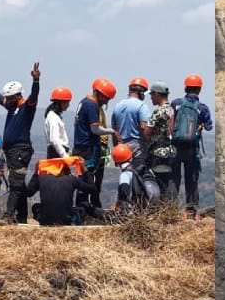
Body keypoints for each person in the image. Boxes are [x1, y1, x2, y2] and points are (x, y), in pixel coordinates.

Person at [0, 63, 41, 224]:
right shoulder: (11, 107)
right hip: (11, 151)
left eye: (10, 97)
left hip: (20, 150)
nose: (6, 100)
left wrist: (36, 80)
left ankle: (8, 216)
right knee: (19, 185)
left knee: (16, 183)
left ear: (18, 96)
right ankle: (22, 217)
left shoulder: (27, 108)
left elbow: (34, 96)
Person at [73, 78, 120, 211]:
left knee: (83, 178)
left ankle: (84, 208)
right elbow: (95, 129)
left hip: (80, 146)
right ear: (99, 94)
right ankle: (86, 208)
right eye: (106, 99)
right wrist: (112, 132)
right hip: (88, 148)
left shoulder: (83, 102)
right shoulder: (92, 105)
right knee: (89, 178)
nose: (106, 102)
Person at [171, 74, 213, 217]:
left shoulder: (176, 103)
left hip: (175, 147)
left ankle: (170, 210)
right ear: (199, 90)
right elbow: (209, 127)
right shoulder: (203, 108)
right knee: (192, 180)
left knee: (174, 180)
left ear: (185, 88)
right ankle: (191, 210)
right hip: (192, 148)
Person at [26, 157, 97, 226]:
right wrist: (84, 169)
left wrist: (36, 172)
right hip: (66, 220)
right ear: (65, 170)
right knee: (82, 207)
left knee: (35, 207)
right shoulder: (72, 179)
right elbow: (92, 189)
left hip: (45, 221)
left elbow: (28, 193)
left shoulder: (41, 178)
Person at [143, 81, 176, 200]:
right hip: (169, 152)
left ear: (157, 94)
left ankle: (158, 206)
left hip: (157, 153)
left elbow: (147, 133)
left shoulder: (158, 111)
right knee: (166, 183)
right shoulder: (171, 109)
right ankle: (167, 205)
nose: (151, 97)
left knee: (156, 183)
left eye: (151, 94)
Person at [112, 77, 152, 171]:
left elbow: (114, 131)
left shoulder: (118, 106)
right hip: (138, 146)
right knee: (139, 173)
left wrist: (117, 148)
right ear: (141, 92)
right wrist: (150, 145)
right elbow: (144, 127)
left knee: (126, 173)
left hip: (122, 146)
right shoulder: (142, 106)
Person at [44, 87, 74, 159]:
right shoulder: (53, 117)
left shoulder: (54, 116)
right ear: (61, 102)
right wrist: (65, 156)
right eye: (67, 102)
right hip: (57, 155)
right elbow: (55, 140)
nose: (68, 105)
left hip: (57, 153)